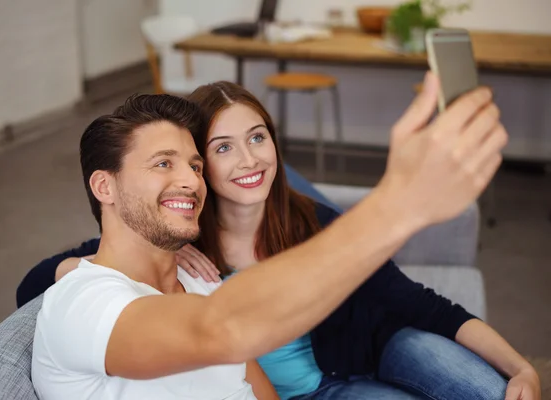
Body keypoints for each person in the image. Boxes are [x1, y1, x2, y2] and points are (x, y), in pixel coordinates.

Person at [28, 75, 539, 400]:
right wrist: (396, 204)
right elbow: (221, 329)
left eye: (258, 138)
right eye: (220, 149)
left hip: (346, 369)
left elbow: (421, 305)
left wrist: (521, 368)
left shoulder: (296, 228)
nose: (248, 160)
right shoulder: (164, 260)